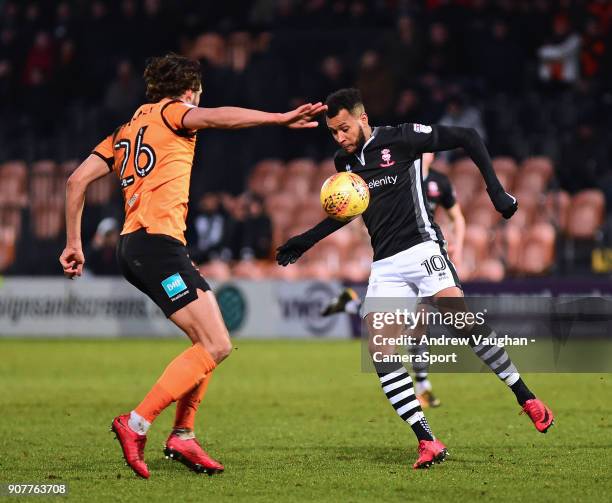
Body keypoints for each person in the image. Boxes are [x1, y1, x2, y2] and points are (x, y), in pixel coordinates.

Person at [59, 53, 326, 479]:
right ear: (189, 91)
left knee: (210, 340)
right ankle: (137, 423)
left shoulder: (125, 130)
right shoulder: (173, 113)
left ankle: (183, 435)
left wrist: (74, 243)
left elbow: (75, 181)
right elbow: (221, 119)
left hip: (137, 244)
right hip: (156, 244)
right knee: (216, 344)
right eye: (197, 97)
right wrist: (279, 118)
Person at [276, 88, 554, 469]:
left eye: (343, 128)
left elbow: (468, 137)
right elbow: (348, 210)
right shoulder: (344, 163)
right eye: (333, 133)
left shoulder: (401, 138)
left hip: (423, 249)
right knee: (380, 350)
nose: (339, 138)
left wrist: (496, 192)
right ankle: (427, 441)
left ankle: (526, 397)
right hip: (386, 264)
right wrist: (303, 241)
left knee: (462, 321)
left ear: (362, 118)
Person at [321, 152, 465, 408]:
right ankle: (423, 386)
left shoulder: (439, 182)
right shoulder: (396, 173)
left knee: (417, 320)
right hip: (394, 254)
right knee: (405, 323)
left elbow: (458, 217)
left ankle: (351, 305)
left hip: (424, 251)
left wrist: (458, 245)